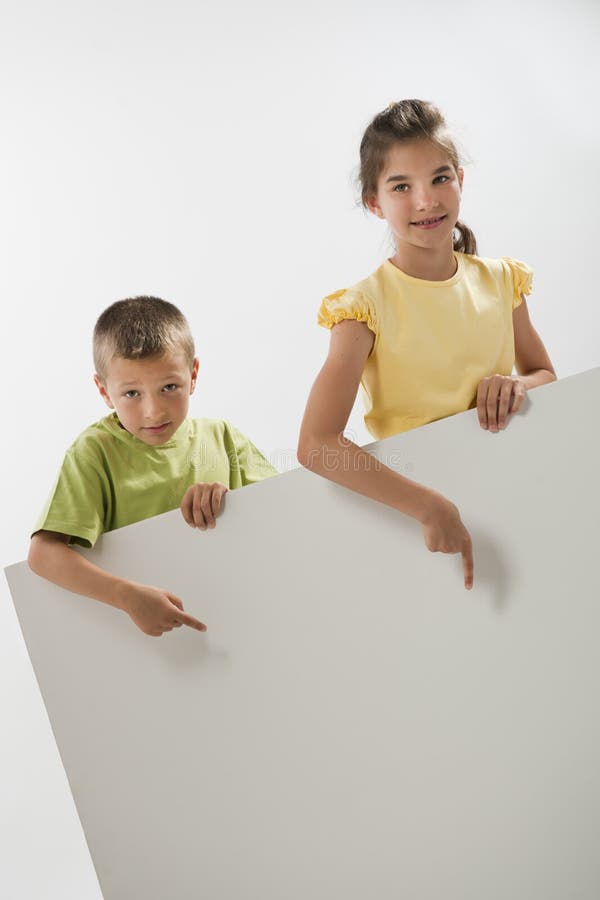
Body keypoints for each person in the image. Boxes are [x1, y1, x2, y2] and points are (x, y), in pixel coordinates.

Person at [297, 99, 556, 590]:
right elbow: (315, 446)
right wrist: (426, 504)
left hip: (512, 492)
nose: (426, 201)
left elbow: (545, 374)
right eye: (401, 187)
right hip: (418, 520)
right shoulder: (361, 309)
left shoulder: (502, 281)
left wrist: (518, 385)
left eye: (440, 178)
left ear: (461, 178)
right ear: (374, 202)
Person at [28, 296, 277, 636]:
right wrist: (127, 597)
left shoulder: (223, 437)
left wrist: (231, 501)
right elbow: (43, 554)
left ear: (193, 375)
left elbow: (284, 515)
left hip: (240, 621)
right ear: (104, 391)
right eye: (132, 394)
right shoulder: (93, 452)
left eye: (169, 387)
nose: (154, 412)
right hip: (143, 650)